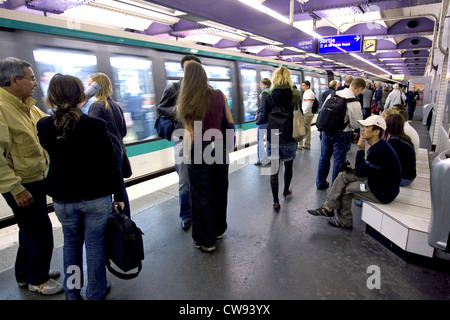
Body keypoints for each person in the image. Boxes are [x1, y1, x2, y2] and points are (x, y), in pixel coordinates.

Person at [37, 74, 125, 300]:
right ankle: (96, 292)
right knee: (95, 246)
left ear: (52, 97)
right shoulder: (95, 125)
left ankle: (72, 291)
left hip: (63, 198)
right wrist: (118, 194)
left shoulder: (44, 125)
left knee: (71, 245)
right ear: (80, 96)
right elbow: (110, 163)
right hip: (96, 196)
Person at [0, 57, 63, 295]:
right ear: (14, 80)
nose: (35, 83)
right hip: (21, 183)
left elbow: (49, 123)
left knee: (28, 229)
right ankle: (38, 280)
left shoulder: (24, 104)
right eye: (31, 78)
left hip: (33, 178)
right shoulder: (2, 107)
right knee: (40, 230)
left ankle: (24, 273)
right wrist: (15, 188)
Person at [176, 61, 233, 252]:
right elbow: (230, 121)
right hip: (220, 146)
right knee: (219, 189)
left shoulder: (188, 99)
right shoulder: (219, 94)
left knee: (201, 195)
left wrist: (185, 155)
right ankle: (218, 229)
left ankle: (206, 241)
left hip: (200, 148)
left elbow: (190, 133)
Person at [307, 115, 401, 229]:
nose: (363, 129)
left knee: (346, 190)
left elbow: (361, 171)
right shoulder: (379, 145)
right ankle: (328, 208)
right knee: (343, 175)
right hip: (377, 180)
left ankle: (344, 221)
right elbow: (366, 169)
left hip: (382, 191)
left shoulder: (378, 150)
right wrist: (355, 168)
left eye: (366, 127)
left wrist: (360, 149)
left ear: (376, 132)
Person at [157, 54, 202, 231]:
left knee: (200, 178)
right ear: (183, 69)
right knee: (184, 180)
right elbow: (161, 108)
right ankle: (186, 214)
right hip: (181, 137)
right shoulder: (174, 88)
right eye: (187, 67)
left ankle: (199, 211)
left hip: (201, 138)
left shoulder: (205, 88)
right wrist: (179, 110)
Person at [87, 72, 131, 217]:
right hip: (118, 151)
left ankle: (118, 226)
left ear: (96, 87)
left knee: (109, 191)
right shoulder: (116, 105)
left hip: (105, 156)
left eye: (90, 86)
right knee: (120, 188)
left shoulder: (96, 106)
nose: (87, 89)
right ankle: (126, 221)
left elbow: (93, 134)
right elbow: (123, 131)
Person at [315, 78, 365, 190]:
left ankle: (320, 183)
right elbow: (356, 123)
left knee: (324, 158)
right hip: (341, 134)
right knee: (339, 161)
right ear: (360, 88)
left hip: (326, 132)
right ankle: (335, 187)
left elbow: (323, 110)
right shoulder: (354, 102)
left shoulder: (333, 94)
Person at [262, 66, 297, 212]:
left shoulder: (268, 94)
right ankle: (286, 190)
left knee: (274, 170)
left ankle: (275, 201)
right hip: (289, 135)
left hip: (273, 136)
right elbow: (298, 112)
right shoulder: (295, 93)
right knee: (288, 166)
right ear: (288, 78)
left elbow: (263, 116)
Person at [383, 114, 416, 186]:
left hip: (404, 179)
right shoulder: (405, 139)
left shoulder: (394, 142)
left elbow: (384, 163)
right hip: (409, 176)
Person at [255, 78, 271, 167]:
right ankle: (270, 157)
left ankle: (261, 160)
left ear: (265, 84)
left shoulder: (265, 92)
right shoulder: (271, 91)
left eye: (261, 84)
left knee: (260, 140)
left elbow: (264, 106)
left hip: (264, 120)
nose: (260, 86)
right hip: (270, 120)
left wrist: (257, 112)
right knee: (269, 140)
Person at [298, 80, 315, 150]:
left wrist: (302, 113)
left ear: (308, 86)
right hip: (309, 113)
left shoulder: (308, 94)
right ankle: (307, 144)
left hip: (307, 114)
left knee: (301, 129)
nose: (302, 87)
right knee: (308, 129)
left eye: (303, 85)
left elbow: (308, 105)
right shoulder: (309, 92)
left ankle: (300, 145)